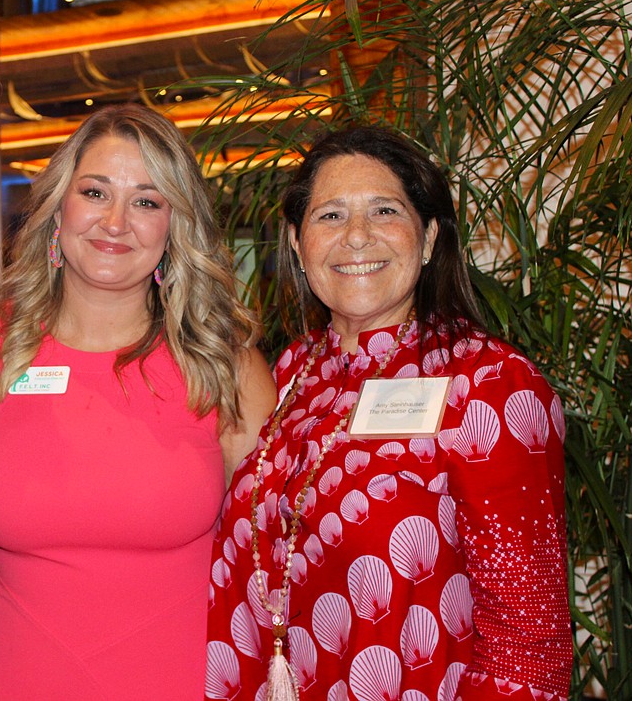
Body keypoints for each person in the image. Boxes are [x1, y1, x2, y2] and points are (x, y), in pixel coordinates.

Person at [205, 126, 571, 701]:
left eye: (383, 210)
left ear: (427, 239)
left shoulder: (488, 384)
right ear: (298, 247)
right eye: (329, 216)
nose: (356, 236)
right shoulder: (292, 373)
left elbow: (528, 640)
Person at [0, 103, 277, 699]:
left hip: (178, 680)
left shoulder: (225, 368)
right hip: (2, 677)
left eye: (148, 202)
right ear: (58, 207)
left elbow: (272, 559)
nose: (116, 222)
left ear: (175, 228)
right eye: (95, 192)